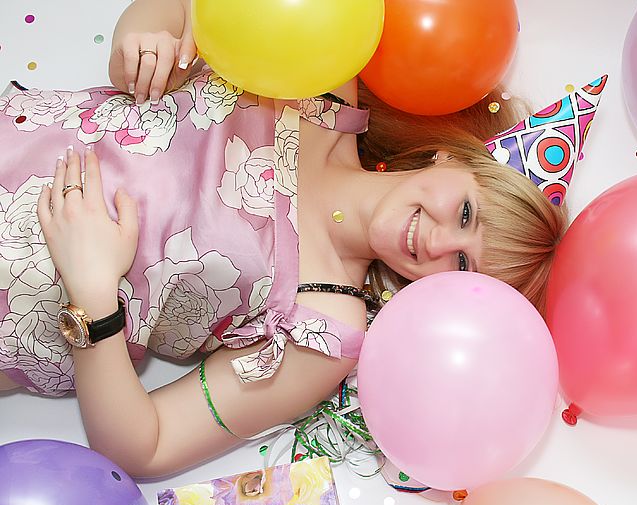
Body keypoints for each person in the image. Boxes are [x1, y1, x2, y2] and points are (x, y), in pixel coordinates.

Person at [0, 0, 602, 478]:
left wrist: (94, 301)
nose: (441, 241)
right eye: (466, 211)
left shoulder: (324, 329)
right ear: (450, 157)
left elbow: (144, 448)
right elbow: (185, 12)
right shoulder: (326, 79)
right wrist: (147, 30)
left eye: (465, 265)